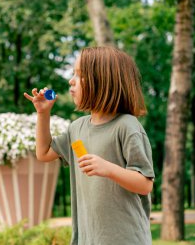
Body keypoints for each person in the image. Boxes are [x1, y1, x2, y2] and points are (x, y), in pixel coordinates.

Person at [24, 46, 155, 245]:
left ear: (103, 81)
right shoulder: (76, 128)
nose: (71, 80)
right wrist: (43, 114)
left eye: (80, 75)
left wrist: (109, 169)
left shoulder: (127, 126)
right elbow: (43, 153)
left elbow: (145, 184)